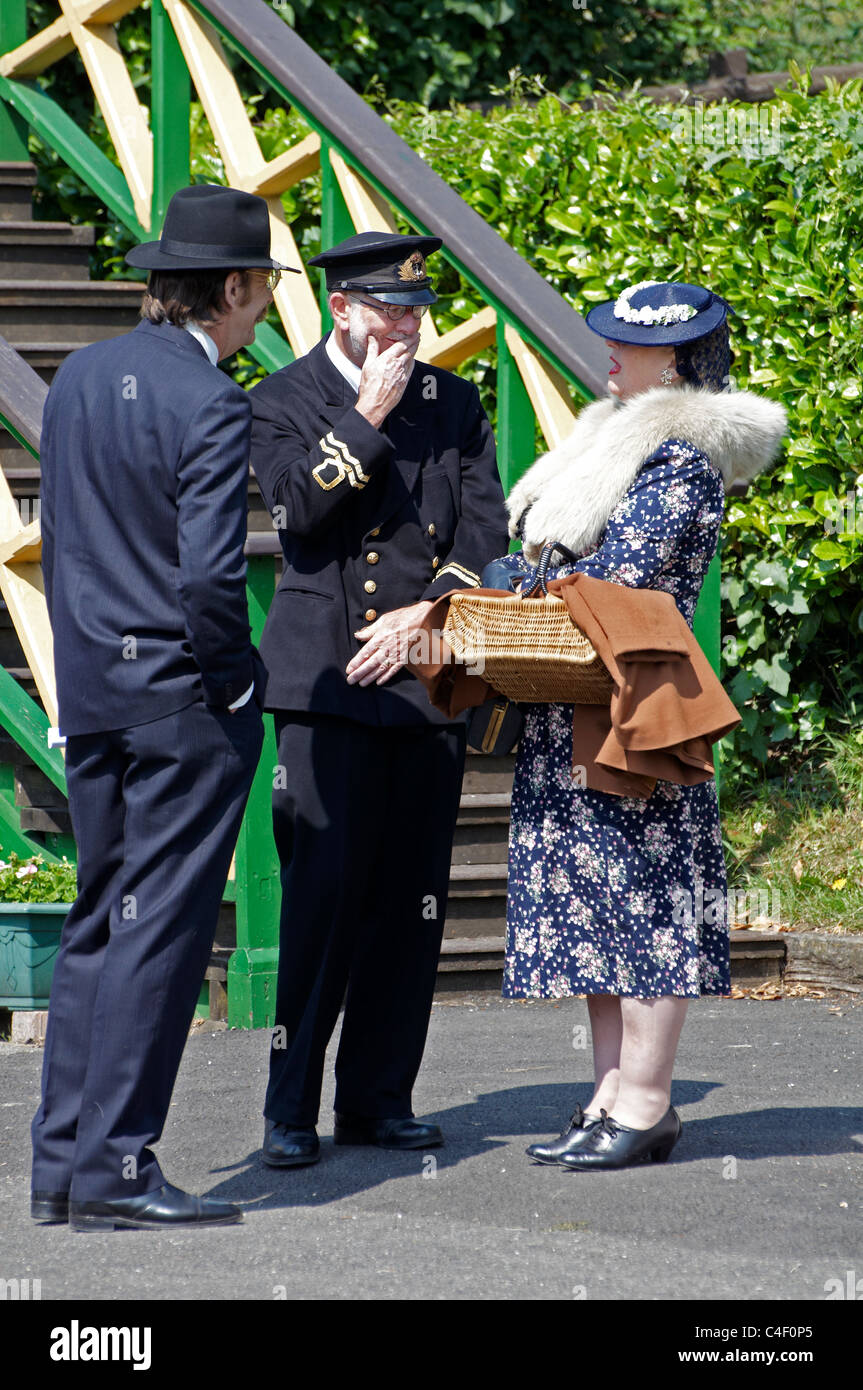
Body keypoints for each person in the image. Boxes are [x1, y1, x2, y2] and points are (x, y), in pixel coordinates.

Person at [30, 185, 295, 1230]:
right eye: (262, 290)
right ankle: (117, 1165)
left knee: (101, 920)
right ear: (228, 289)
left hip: (96, 687)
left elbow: (62, 543)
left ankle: (64, 1165)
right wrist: (236, 682)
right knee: (160, 934)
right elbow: (208, 579)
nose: (263, 310)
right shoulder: (212, 400)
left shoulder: (79, 375)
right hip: (181, 698)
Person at [502, 280, 786, 1169]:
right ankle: (607, 1099)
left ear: (673, 362)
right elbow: (546, 563)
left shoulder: (681, 457)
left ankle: (647, 1104)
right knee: (591, 906)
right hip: (575, 694)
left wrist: (517, 577)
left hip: (634, 702)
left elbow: (617, 575)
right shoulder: (613, 442)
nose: (609, 353)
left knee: (646, 900)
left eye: (628, 343)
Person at [249, 231, 508, 1165]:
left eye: (416, 312)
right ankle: (289, 1109)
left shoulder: (454, 403)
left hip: (423, 671)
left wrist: (427, 613)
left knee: (411, 901)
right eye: (389, 312)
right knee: (322, 899)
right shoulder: (281, 398)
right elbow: (297, 512)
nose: (407, 329)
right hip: (324, 677)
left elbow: (484, 530)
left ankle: (377, 1098)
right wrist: (366, 415)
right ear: (342, 310)